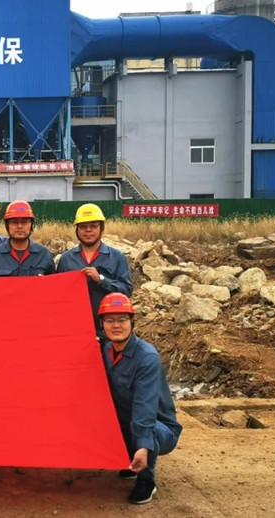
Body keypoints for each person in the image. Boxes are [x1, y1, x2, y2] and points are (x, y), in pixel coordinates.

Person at [98, 293, 182, 505]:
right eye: (109, 320)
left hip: (157, 426)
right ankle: (130, 459)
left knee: (144, 428)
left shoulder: (146, 358)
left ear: (132, 322)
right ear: (102, 325)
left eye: (122, 319)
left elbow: (145, 407)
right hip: (127, 421)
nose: (116, 325)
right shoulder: (107, 350)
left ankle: (146, 480)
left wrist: (142, 446)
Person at [56, 203, 133, 343]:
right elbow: (59, 296)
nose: (88, 230)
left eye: (93, 226)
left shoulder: (117, 257)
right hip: (76, 331)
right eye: (83, 227)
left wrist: (102, 280)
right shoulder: (67, 259)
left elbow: (126, 290)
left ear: (101, 228)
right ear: (77, 230)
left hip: (108, 332)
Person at [0, 200, 54, 277]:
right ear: (7, 225)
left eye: (24, 222)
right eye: (14, 222)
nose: (19, 226)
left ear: (31, 225)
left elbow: (54, 283)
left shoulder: (44, 254)